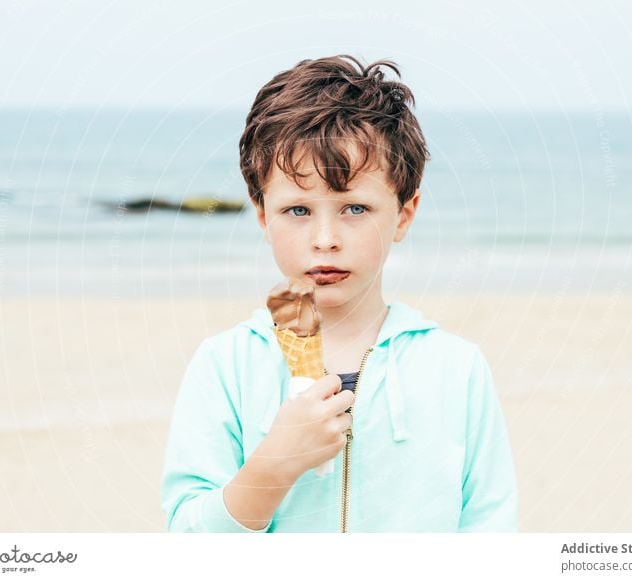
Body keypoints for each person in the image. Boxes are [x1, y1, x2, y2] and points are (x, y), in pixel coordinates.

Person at [160, 55, 518, 532]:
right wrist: (273, 466)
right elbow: (187, 538)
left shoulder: (457, 368)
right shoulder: (226, 365)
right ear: (263, 216)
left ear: (404, 216)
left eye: (354, 207)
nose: (325, 238)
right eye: (298, 211)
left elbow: (490, 531)